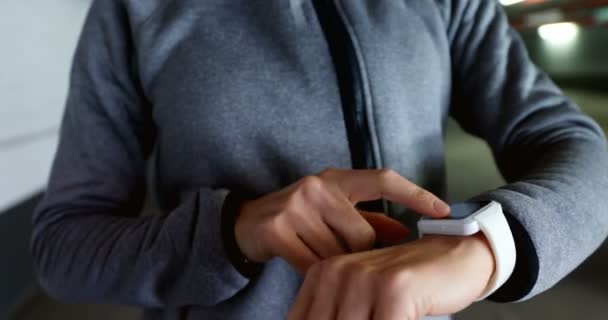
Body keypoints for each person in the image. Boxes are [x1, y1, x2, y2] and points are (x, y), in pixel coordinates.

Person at [31, 0, 608, 319]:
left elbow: (582, 151)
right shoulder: (135, 12)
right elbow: (63, 247)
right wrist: (230, 232)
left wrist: (483, 248)